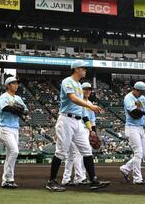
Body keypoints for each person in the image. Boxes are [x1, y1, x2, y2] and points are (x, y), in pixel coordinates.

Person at [45, 60, 110, 191]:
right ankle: (51, 181)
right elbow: (73, 98)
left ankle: (93, 180)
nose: (85, 70)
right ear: (76, 69)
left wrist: (90, 128)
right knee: (61, 152)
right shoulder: (67, 81)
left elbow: (81, 110)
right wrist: (90, 105)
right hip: (66, 120)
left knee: (87, 151)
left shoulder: (79, 85)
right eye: (83, 68)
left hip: (78, 122)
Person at [119, 81, 145, 185]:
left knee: (143, 154)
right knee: (138, 152)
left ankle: (125, 168)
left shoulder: (142, 97)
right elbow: (134, 111)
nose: (141, 93)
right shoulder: (128, 97)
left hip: (140, 127)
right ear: (135, 89)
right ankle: (137, 179)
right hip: (131, 127)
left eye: (142, 92)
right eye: (140, 91)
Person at [61, 82, 95, 186]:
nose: (88, 91)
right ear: (81, 90)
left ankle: (68, 179)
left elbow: (90, 120)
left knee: (74, 155)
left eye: (89, 89)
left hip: (84, 130)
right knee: (76, 154)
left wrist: (92, 131)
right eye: (85, 89)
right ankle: (80, 177)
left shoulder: (90, 104)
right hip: (74, 127)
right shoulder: (76, 101)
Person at [0, 76, 28, 189]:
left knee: (9, 154)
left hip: (15, 128)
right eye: (13, 83)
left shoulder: (18, 98)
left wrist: (19, 109)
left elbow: (26, 111)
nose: (16, 85)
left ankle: (6, 181)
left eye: (17, 83)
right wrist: (16, 108)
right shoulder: (3, 97)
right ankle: (8, 179)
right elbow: (5, 108)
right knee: (15, 151)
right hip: (5, 128)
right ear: (8, 85)